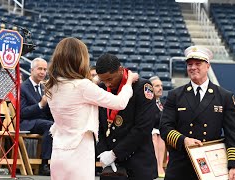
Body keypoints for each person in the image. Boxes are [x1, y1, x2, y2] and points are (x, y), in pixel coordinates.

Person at [44, 37, 139, 180]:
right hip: (79, 151)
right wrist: (129, 83)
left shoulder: (51, 86)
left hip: (58, 151)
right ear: (79, 59)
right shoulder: (82, 86)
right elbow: (119, 103)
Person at [159, 45, 235, 180]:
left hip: (210, 166)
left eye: (198, 63)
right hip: (180, 165)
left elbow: (233, 134)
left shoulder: (224, 96)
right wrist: (184, 140)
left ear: (208, 66)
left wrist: (234, 165)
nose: (193, 67)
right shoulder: (175, 95)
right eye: (190, 64)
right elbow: (164, 128)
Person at [95, 53, 158, 180]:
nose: (107, 84)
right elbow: (97, 124)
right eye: (103, 80)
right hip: (111, 166)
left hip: (138, 163)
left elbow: (143, 127)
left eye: (110, 79)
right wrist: (102, 151)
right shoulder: (100, 88)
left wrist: (115, 153)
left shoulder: (142, 87)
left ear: (120, 70)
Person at [20, 57, 53, 176]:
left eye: (45, 69)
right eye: (40, 69)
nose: (43, 72)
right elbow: (22, 112)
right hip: (26, 122)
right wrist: (40, 104)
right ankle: (44, 164)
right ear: (31, 70)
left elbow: (47, 111)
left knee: (59, 124)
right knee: (50, 126)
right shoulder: (23, 87)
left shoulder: (44, 87)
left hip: (42, 122)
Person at [149, 76, 167, 178]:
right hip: (148, 131)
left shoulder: (163, 103)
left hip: (160, 130)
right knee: (154, 135)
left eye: (161, 86)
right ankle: (156, 166)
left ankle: (160, 166)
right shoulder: (147, 102)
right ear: (151, 88)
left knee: (161, 135)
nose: (160, 88)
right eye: (157, 86)